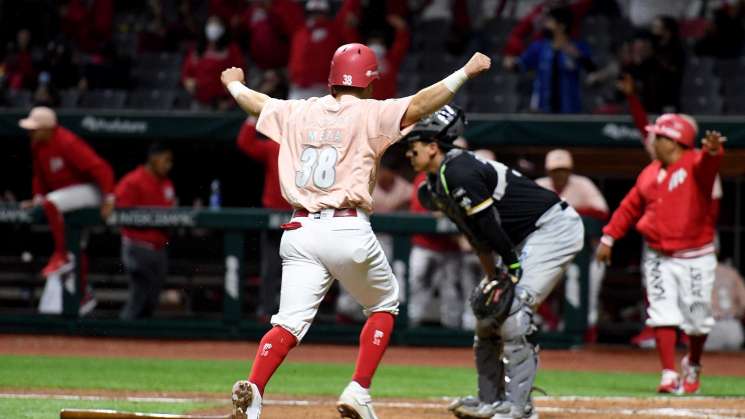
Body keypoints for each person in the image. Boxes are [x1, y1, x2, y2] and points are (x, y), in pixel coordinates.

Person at [221, 43, 491, 419]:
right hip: (346, 226)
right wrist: (465, 71)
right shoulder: (371, 112)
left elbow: (256, 103)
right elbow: (423, 103)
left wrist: (234, 85)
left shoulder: (299, 110)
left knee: (288, 323)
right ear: (368, 82)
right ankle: (359, 389)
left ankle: (255, 389)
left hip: (298, 228)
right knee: (383, 304)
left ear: (333, 79)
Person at [406, 105, 584, 419]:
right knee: (488, 312)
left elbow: (489, 226)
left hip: (554, 227)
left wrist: (512, 270)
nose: (408, 153)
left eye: (414, 146)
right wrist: (493, 278)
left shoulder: (458, 171)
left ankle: (520, 408)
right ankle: (490, 400)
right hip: (524, 237)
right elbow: (477, 237)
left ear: (434, 146)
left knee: (515, 309)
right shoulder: (437, 183)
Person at [596, 115, 725, 394]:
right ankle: (668, 373)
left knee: (698, 318)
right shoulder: (650, 171)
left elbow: (708, 166)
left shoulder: (695, 163)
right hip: (657, 254)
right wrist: (609, 236)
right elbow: (629, 207)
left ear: (675, 141)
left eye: (659, 136)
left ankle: (693, 362)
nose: (653, 141)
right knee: (661, 312)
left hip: (695, 256)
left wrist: (713, 152)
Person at [19, 106, 115, 314]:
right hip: (67, 197)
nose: (31, 132)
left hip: (91, 191)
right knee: (77, 246)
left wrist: (109, 197)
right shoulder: (37, 146)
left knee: (52, 203)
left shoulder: (66, 142)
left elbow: (102, 169)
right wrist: (37, 198)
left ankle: (60, 255)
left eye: (35, 128)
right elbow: (39, 176)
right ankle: (82, 294)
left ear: (49, 128)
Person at [535, 149, 608, 340]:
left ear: (570, 170)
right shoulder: (539, 186)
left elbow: (602, 212)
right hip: (549, 253)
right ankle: (551, 323)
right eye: (555, 170)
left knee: (586, 292)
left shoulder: (582, 184)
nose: (559, 174)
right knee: (533, 286)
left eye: (563, 170)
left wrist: (565, 211)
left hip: (583, 254)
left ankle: (587, 334)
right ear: (548, 171)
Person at [236, 117, 293, 320]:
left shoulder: (308, 147)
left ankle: (294, 313)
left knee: (300, 268)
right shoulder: (274, 146)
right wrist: (252, 116)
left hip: (299, 213)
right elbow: (245, 143)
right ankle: (267, 310)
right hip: (275, 214)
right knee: (271, 267)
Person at [114, 143, 176, 320]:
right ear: (153, 159)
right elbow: (119, 212)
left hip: (159, 248)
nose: (168, 165)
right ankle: (122, 334)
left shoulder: (166, 183)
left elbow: (171, 210)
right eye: (165, 160)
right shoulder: (132, 181)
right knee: (140, 294)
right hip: (137, 247)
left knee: (151, 298)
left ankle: (140, 342)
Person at [503, 6, 595, 113]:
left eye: (550, 20)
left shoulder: (578, 47)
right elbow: (520, 65)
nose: (546, 24)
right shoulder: (539, 47)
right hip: (543, 109)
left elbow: (592, 71)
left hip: (571, 110)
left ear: (561, 26)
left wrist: (577, 55)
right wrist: (510, 63)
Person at [181, 15, 245, 110]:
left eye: (217, 24)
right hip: (200, 103)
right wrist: (188, 82)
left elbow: (240, 75)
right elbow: (186, 74)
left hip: (223, 104)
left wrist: (229, 101)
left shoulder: (232, 50)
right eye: (211, 23)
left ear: (223, 28)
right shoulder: (197, 51)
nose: (213, 27)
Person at [706, 259, 745, 351]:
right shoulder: (732, 273)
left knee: (709, 363)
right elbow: (744, 304)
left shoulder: (699, 273)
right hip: (733, 327)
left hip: (712, 326)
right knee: (735, 364)